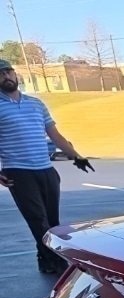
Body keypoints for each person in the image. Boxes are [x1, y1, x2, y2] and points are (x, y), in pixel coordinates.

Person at [0, 58, 94, 273]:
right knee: (37, 220)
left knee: (52, 220)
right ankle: (56, 261)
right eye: (0, 74)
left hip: (46, 170)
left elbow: (55, 135)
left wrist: (77, 156)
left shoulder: (36, 104)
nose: (6, 76)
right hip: (19, 172)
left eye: (8, 71)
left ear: (15, 75)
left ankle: (45, 259)